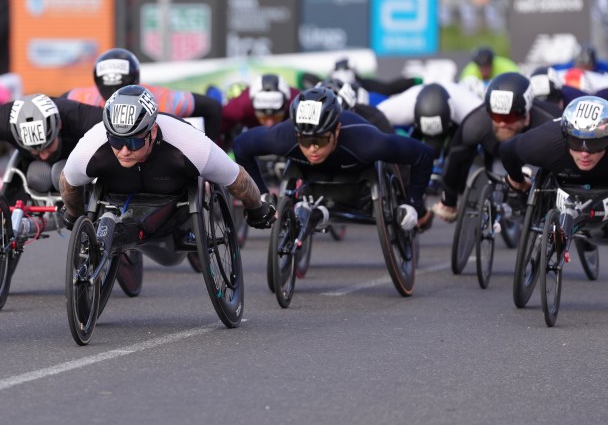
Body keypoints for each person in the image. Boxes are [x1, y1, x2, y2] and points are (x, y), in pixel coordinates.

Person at [58, 84, 275, 267]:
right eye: (116, 141)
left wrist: (257, 209)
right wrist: (75, 216)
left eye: (133, 142)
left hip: (174, 204)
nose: (124, 151)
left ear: (152, 132)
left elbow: (238, 178)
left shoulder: (189, 143)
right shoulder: (92, 144)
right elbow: (68, 182)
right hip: (119, 192)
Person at [232, 86, 434, 231]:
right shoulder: (282, 136)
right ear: (295, 133)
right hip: (310, 179)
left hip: (358, 182)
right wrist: (261, 195)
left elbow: (423, 154)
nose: (312, 148)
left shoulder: (368, 141)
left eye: (320, 140)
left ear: (336, 130)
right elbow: (241, 145)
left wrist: (412, 203)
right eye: (304, 140)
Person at [430, 72, 553, 222]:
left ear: (526, 116)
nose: (502, 123)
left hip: (534, 159)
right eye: (496, 116)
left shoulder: (547, 124)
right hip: (496, 156)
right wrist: (449, 201)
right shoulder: (476, 124)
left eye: (509, 117)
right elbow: (456, 160)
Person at [0, 93, 103, 214]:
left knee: (61, 174)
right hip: (33, 170)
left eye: (48, 146)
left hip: (73, 164)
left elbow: (112, 126)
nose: (44, 156)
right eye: (36, 150)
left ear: (59, 125)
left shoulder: (73, 114)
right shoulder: (5, 120)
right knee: (36, 176)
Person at [63, 48, 223, 141]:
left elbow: (212, 106)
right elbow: (212, 107)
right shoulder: (83, 97)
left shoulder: (162, 99)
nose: (116, 95)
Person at [501, 95, 608, 191]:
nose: (584, 154)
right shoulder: (541, 144)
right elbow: (506, 150)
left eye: (594, 144)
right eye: (576, 143)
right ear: (565, 138)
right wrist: (519, 180)